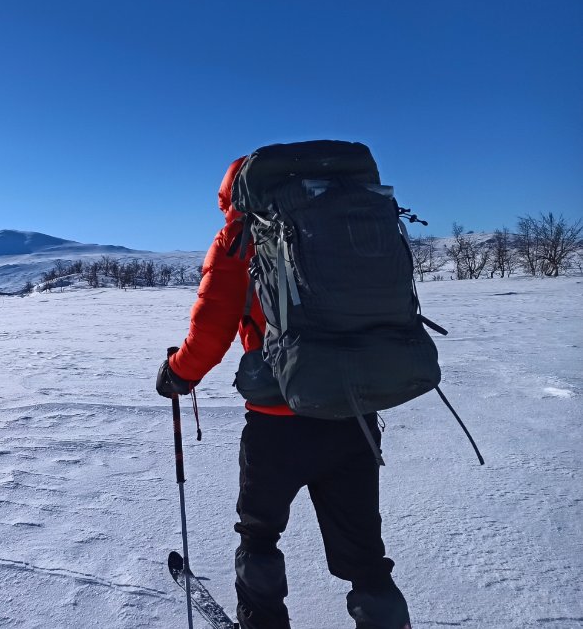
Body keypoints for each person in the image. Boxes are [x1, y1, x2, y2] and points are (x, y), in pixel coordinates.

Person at [155, 157, 412, 629]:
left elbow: (212, 327)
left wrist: (178, 373)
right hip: (354, 415)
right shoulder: (355, 225)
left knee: (258, 537)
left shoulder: (241, 235)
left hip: (277, 421)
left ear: (235, 193)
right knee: (365, 558)